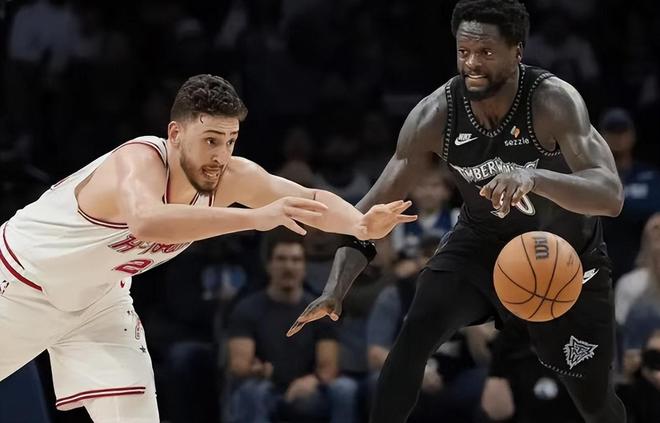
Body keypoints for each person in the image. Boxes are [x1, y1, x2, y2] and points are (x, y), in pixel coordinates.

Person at [0, 74, 415, 422]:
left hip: (98, 302)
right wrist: (255, 218)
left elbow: (306, 199)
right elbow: (146, 220)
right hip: (20, 282)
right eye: (211, 140)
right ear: (175, 134)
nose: (221, 155)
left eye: (231, 140)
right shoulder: (139, 160)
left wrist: (359, 223)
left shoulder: (231, 176)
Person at [288, 1, 627, 422]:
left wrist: (534, 176)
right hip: (481, 246)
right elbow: (366, 215)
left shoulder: (552, 101)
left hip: (565, 257)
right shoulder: (436, 115)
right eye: (463, 51)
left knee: (594, 401)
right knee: (414, 336)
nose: (472, 63)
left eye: (485, 52)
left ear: (517, 52)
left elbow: (610, 195)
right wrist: (335, 288)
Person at [227, 229, 358, 423]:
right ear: (269, 265)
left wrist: (312, 380)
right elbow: (239, 365)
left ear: (304, 267)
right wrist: (257, 370)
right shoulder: (247, 309)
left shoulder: (320, 310)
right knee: (253, 391)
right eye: (281, 259)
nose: (288, 266)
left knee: (345, 388)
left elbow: (328, 366)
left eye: (296, 260)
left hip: (308, 389)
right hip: (265, 388)